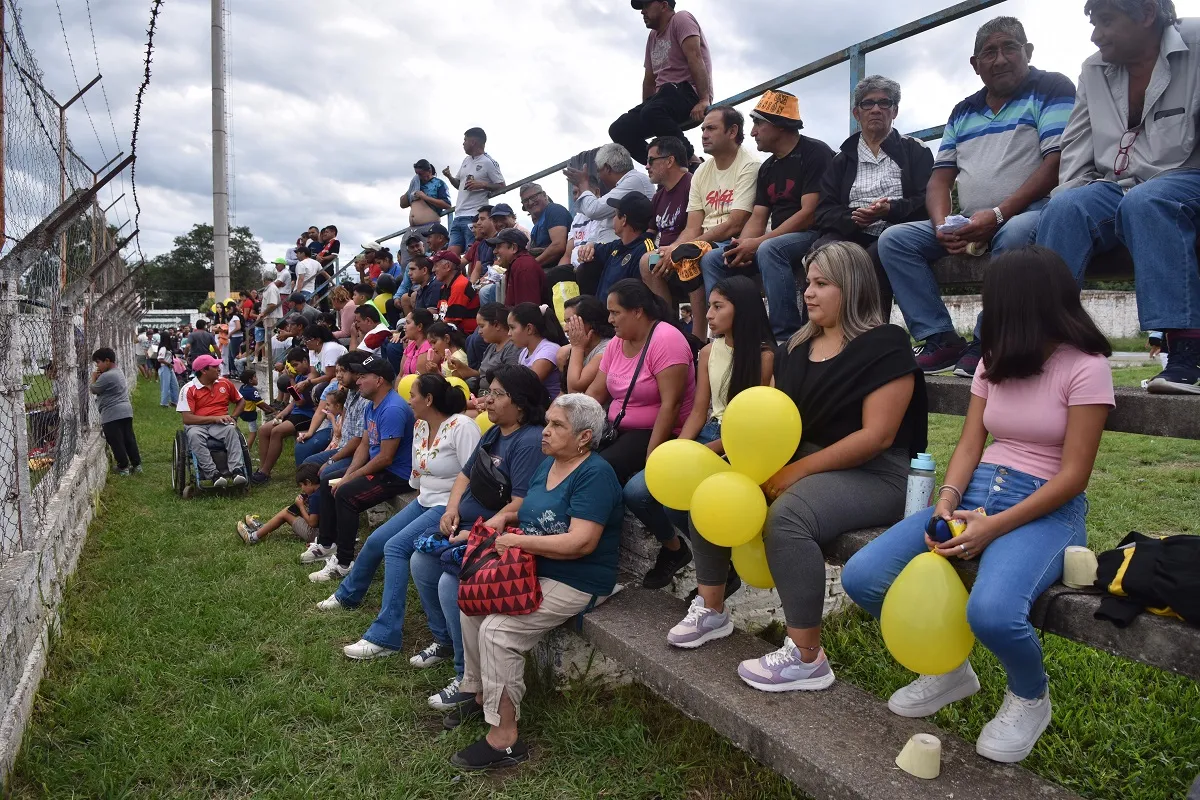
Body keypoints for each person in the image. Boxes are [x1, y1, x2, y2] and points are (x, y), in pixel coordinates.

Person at [841, 246, 1114, 764]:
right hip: (973, 496)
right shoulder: (996, 359)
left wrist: (994, 528)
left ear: (1025, 304)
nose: (987, 312)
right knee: (863, 576)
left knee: (992, 612)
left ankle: (1030, 698)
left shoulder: (1086, 368)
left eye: (995, 301)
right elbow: (970, 443)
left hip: (1044, 508)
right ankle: (947, 668)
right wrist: (946, 502)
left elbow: (1075, 475)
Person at [668, 242, 926, 692]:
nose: (808, 293)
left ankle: (808, 657)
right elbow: (769, 423)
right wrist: (719, 454)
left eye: (822, 283)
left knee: (788, 518)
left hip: (876, 473)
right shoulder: (795, 348)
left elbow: (876, 437)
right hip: (805, 461)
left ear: (853, 286)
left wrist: (795, 473)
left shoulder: (884, 344)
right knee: (713, 490)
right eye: (807, 283)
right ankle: (711, 610)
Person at [878, 16, 1076, 376]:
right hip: (973, 218)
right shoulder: (963, 109)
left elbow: (1056, 163)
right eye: (989, 52)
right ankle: (939, 338)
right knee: (894, 239)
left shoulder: (1051, 87)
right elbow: (939, 180)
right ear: (975, 65)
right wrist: (942, 226)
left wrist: (999, 215)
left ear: (1027, 52)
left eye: (1009, 48)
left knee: (1016, 236)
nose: (999, 59)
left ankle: (988, 338)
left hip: (1030, 211)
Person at [448, 393, 624, 771]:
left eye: (557, 425)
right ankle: (479, 695)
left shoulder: (594, 474)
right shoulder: (550, 465)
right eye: (547, 422)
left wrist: (518, 541)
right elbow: (528, 512)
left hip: (578, 579)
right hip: (534, 568)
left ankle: (505, 740)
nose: (545, 431)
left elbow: (581, 542)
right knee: (472, 605)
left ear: (584, 437)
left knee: (498, 630)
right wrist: (502, 522)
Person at [1036, 1, 1200, 394]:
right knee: (1063, 206)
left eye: (1107, 22)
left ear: (1146, 14)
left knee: (1148, 200)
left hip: (1186, 178)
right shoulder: (1093, 69)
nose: (1096, 35)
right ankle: (1047, 342)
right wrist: (1073, 202)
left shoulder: (1196, 43)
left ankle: (1186, 351)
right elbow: (1075, 146)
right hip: (1119, 187)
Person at [412, 364, 550, 712]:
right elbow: (465, 473)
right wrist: (451, 509)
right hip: (467, 523)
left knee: (448, 583)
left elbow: (521, 503)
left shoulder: (529, 440)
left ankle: (466, 677)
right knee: (419, 561)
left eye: (497, 394)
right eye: (488, 392)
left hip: (496, 532)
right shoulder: (495, 433)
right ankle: (445, 642)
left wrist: (475, 532)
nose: (487, 400)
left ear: (519, 403)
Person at [624, 275, 772, 589]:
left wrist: (709, 450)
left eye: (718, 307)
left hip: (741, 444)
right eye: (711, 306)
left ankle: (721, 564)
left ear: (741, 310)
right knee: (637, 492)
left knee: (678, 505)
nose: (708, 314)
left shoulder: (765, 357)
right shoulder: (708, 352)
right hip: (708, 432)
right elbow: (698, 410)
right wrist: (679, 449)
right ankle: (681, 552)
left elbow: (753, 425)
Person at [326, 374, 479, 662]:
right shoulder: (421, 425)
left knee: (396, 548)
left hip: (449, 508)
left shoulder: (462, 427)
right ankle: (347, 595)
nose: (409, 402)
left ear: (429, 400)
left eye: (413, 396)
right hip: (424, 500)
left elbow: (474, 476)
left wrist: (453, 508)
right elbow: (417, 474)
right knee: (376, 540)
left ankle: (386, 636)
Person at [694, 94, 831, 344]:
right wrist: (741, 246)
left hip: (813, 233)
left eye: (759, 124)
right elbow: (758, 216)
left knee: (769, 249)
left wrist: (757, 243)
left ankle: (784, 337)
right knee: (715, 257)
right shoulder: (767, 168)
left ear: (779, 125)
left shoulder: (815, 152)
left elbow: (809, 213)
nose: (753, 132)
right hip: (779, 237)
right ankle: (728, 336)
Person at [585, 279, 696, 582]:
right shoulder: (618, 343)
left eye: (615, 312)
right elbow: (596, 393)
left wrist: (653, 460)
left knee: (600, 471)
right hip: (620, 429)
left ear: (637, 311)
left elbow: (670, 406)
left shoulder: (666, 340)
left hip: (661, 431)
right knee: (575, 461)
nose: (609, 320)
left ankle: (673, 548)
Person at [815, 76, 934, 314]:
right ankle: (820, 334)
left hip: (896, 231)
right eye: (868, 104)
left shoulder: (915, 150)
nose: (876, 109)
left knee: (871, 259)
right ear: (857, 113)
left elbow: (928, 200)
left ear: (895, 111)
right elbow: (823, 211)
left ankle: (872, 335)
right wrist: (854, 218)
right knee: (823, 255)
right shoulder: (842, 160)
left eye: (884, 103)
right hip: (851, 232)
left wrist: (890, 210)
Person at [303, 355, 415, 580]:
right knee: (328, 481)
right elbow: (364, 444)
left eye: (363, 376)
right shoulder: (372, 405)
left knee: (346, 494)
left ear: (380, 380)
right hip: (382, 468)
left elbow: (385, 458)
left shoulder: (392, 408)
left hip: (396, 474)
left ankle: (344, 563)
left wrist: (350, 478)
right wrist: (348, 473)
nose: (359, 381)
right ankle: (327, 544)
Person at [654, 107, 759, 321]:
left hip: (733, 241)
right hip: (706, 241)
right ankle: (668, 331)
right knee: (650, 261)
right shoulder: (701, 171)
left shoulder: (750, 165)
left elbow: (735, 223)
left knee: (703, 257)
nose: (703, 134)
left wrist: (690, 246)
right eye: (703, 129)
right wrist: (675, 247)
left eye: (711, 128)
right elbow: (692, 227)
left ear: (732, 131)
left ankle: (711, 332)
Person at [610, 0, 713, 166]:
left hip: (687, 92)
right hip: (661, 100)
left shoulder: (681, 19)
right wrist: (645, 113)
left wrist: (703, 100)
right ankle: (659, 165)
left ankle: (690, 160)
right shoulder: (652, 37)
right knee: (619, 129)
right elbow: (649, 79)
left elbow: (695, 57)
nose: (642, 12)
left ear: (664, 5)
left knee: (655, 105)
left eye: (646, 5)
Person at [640, 136, 706, 339]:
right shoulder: (659, 195)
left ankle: (698, 338)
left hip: (690, 250)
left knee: (686, 258)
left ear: (669, 161)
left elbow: (698, 228)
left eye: (651, 160)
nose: (646, 166)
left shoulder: (692, 183)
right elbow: (650, 233)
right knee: (644, 260)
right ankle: (668, 330)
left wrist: (673, 250)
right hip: (665, 255)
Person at [176, 354, 249, 487]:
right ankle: (213, 473)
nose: (219, 369)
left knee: (231, 430)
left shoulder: (225, 383)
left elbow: (241, 401)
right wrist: (214, 418)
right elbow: (187, 418)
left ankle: (237, 471)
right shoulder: (188, 389)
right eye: (214, 367)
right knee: (194, 436)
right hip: (197, 425)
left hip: (220, 423)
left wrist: (234, 417)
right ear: (204, 371)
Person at [564, 143, 656, 246]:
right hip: (607, 251)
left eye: (598, 171)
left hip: (626, 253)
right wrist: (590, 245)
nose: (598, 177)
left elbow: (594, 210)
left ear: (607, 168)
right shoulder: (623, 185)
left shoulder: (636, 180)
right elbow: (602, 225)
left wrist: (584, 184)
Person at [575, 193, 658, 301]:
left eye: (615, 215)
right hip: (602, 311)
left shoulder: (646, 251)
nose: (613, 219)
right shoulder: (617, 245)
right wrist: (586, 249)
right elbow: (595, 248)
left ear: (623, 220)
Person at [252, 348, 316, 483]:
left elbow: (300, 402)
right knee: (263, 430)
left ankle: (265, 471)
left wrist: (291, 380)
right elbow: (293, 403)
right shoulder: (298, 377)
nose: (294, 368)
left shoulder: (309, 379)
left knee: (277, 431)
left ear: (305, 361)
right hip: (294, 414)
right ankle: (263, 469)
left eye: (295, 365)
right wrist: (282, 413)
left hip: (306, 416)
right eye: (292, 366)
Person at [444, 128, 506, 254]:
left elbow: (502, 186)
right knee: (451, 257)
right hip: (458, 215)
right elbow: (459, 185)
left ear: (473, 142)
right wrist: (449, 176)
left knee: (472, 254)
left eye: (465, 140)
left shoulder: (488, 162)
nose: (463, 143)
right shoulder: (466, 160)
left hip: (474, 216)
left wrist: (482, 184)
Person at [238, 463, 322, 545]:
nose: (302, 489)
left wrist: (301, 506)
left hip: (316, 535)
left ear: (309, 482)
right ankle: (264, 528)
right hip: (328, 534)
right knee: (290, 510)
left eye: (302, 485)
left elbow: (312, 523)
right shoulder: (324, 489)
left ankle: (253, 537)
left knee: (286, 513)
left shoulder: (315, 497)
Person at [90, 347, 141, 476]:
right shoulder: (118, 372)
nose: (97, 366)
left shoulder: (107, 376)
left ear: (107, 361)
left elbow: (94, 389)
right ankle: (136, 464)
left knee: (116, 440)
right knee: (129, 438)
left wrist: (94, 377)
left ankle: (123, 467)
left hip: (112, 413)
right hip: (125, 411)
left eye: (98, 362)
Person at [558, 294, 615, 393]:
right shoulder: (572, 350)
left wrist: (577, 347)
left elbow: (575, 388)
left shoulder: (606, 348)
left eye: (570, 322)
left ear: (590, 323)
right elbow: (564, 393)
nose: (566, 329)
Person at [510, 303, 566, 401]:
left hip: (548, 409)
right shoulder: (524, 352)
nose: (509, 333)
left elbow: (525, 386)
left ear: (529, 328)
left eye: (512, 328)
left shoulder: (548, 351)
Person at [465, 303, 520, 395]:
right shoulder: (492, 346)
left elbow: (507, 390)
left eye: (482, 326)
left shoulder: (512, 349)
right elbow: (482, 375)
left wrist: (469, 404)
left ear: (496, 325)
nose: (479, 331)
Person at [401, 158, 453, 246]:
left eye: (420, 174)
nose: (418, 176)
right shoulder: (416, 184)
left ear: (428, 171)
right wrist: (411, 188)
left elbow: (447, 205)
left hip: (428, 227)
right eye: (416, 174)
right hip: (412, 229)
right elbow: (402, 204)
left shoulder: (439, 183)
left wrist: (425, 197)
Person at [489, 229, 546, 309]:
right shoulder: (517, 264)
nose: (494, 251)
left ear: (514, 248)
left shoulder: (523, 267)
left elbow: (528, 311)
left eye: (498, 246)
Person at [520, 183, 572, 268]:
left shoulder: (554, 210)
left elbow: (558, 246)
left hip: (558, 269)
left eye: (533, 197)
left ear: (544, 195)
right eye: (525, 201)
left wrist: (531, 265)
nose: (530, 202)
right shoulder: (536, 226)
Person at [433, 251, 480, 335]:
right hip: (452, 332)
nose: (433, 270)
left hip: (465, 335)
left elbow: (451, 323)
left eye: (436, 266)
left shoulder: (459, 285)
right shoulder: (444, 288)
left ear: (447, 267)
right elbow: (441, 316)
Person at [400, 309, 435, 377]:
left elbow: (420, 382)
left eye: (408, 323)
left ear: (419, 326)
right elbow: (400, 375)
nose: (404, 327)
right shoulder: (411, 345)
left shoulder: (429, 350)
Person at [238, 367, 262, 452]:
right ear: (250, 380)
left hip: (242, 412)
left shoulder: (242, 387)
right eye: (255, 376)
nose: (257, 378)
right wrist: (272, 410)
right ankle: (247, 449)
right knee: (253, 432)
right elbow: (261, 404)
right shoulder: (252, 390)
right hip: (250, 413)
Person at [157, 334, 180, 407]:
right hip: (165, 367)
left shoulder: (167, 348)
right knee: (165, 386)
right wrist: (168, 364)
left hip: (169, 367)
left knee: (174, 385)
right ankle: (164, 403)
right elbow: (160, 359)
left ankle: (174, 401)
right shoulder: (163, 348)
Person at [224, 300, 245, 374]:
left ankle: (237, 371)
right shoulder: (231, 317)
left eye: (228, 309)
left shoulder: (235, 317)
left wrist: (230, 333)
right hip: (233, 338)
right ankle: (233, 371)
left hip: (237, 337)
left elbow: (238, 327)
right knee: (231, 355)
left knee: (234, 355)